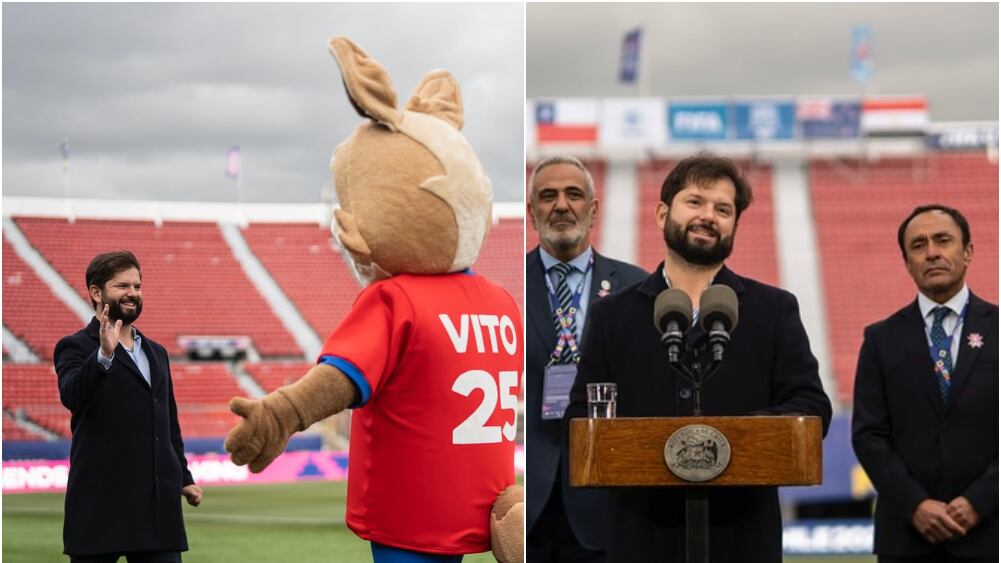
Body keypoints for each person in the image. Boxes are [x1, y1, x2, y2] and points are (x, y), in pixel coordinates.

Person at [565, 152, 832, 563]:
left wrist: (734, 441)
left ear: (734, 227)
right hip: (641, 537)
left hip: (743, 537)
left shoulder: (773, 309)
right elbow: (582, 415)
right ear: (661, 213)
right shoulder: (612, 315)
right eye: (695, 202)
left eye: (722, 209)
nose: (708, 215)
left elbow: (812, 406)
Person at [852, 204, 998, 563]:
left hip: (991, 532)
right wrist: (914, 504)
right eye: (918, 245)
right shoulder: (880, 339)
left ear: (967, 252)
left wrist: (982, 499)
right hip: (906, 538)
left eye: (943, 240)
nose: (931, 252)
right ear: (907, 263)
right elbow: (868, 435)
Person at [526, 154, 648, 562]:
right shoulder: (506, 284)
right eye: (548, 196)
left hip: (608, 496)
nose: (561, 205)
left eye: (573, 194)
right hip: (528, 501)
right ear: (532, 211)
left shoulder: (638, 287)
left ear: (593, 209)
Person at [54, 251, 202, 562]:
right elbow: (72, 396)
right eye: (122, 286)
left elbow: (168, 424)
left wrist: (184, 478)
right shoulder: (76, 346)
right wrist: (103, 356)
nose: (133, 293)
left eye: (137, 285)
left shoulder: (156, 353)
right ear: (97, 292)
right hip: (100, 506)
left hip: (157, 510)